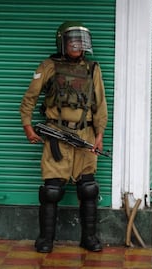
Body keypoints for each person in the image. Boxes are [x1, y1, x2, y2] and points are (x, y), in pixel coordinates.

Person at [19, 21, 108, 253]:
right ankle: (46, 239)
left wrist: (99, 135)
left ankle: (88, 238)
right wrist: (27, 126)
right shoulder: (48, 66)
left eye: (81, 41)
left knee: (88, 189)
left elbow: (100, 105)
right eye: (72, 41)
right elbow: (30, 97)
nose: (77, 45)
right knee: (51, 191)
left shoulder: (92, 69)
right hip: (56, 135)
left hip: (85, 134)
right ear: (62, 43)